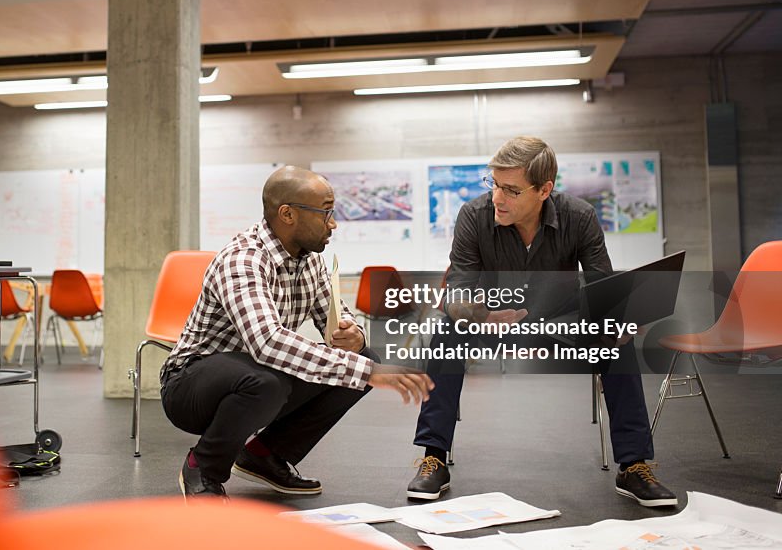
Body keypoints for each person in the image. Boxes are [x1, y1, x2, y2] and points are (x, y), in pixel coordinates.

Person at [407, 136, 677, 507]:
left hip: (559, 324)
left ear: (544, 190)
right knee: (447, 332)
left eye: (511, 190)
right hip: (493, 323)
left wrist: (623, 318)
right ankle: (433, 458)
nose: (498, 198)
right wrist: (480, 315)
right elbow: (456, 292)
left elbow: (604, 286)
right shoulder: (473, 215)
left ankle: (633, 466)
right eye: (495, 185)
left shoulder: (579, 216)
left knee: (617, 341)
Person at [161, 166, 434, 500]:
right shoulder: (243, 260)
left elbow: (336, 317)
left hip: (256, 375)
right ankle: (202, 467)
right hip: (190, 385)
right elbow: (267, 343)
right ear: (287, 214)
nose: (333, 223)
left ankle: (265, 454)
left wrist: (354, 337)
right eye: (326, 213)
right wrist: (371, 372)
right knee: (271, 380)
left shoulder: (308, 259)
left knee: (361, 359)